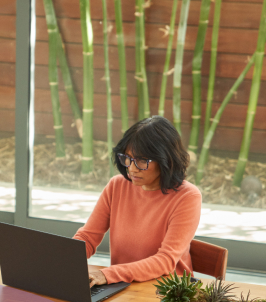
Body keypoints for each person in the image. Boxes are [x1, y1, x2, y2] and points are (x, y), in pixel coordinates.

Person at [74, 116, 202, 286]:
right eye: (127, 158)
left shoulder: (187, 197)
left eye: (142, 160)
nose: (132, 168)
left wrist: (108, 274)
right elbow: (88, 237)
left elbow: (165, 261)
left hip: (167, 292)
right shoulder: (117, 185)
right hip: (120, 286)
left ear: (166, 159)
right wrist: (63, 260)